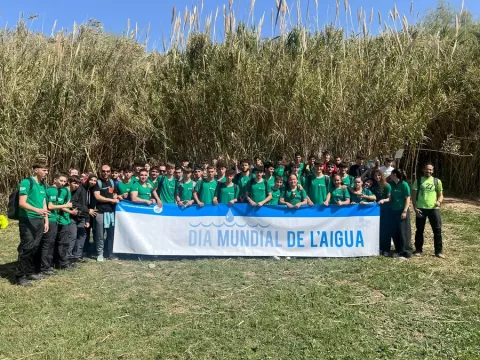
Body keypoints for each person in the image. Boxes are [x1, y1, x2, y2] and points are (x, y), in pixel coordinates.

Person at [15, 161, 51, 286]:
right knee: (27, 247)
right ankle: (20, 276)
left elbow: (44, 203)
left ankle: (30, 272)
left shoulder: (43, 185)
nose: (46, 172)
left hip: (40, 220)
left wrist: (46, 220)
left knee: (35, 247)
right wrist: (37, 210)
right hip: (27, 219)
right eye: (44, 170)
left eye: (47, 170)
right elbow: (22, 203)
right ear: (36, 170)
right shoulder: (27, 182)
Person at [411, 162, 445, 258]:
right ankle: (418, 250)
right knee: (419, 230)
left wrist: (439, 201)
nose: (428, 171)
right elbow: (413, 194)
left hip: (434, 209)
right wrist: (414, 207)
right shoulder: (418, 181)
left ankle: (438, 252)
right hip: (421, 208)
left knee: (437, 230)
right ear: (423, 170)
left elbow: (440, 194)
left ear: (432, 171)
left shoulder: (436, 181)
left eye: (430, 169)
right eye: (427, 169)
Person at [380, 169, 412, 258]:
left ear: (395, 174)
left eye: (391, 174)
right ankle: (398, 250)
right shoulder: (392, 184)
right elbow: (384, 181)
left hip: (402, 210)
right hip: (393, 210)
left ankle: (406, 252)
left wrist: (405, 211)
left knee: (404, 231)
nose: (390, 175)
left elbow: (407, 199)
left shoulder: (404, 185)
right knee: (395, 231)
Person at [93, 165, 119, 262]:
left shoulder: (112, 182)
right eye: (104, 171)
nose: (106, 173)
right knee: (100, 234)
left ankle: (110, 253)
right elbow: (97, 197)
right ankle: (100, 253)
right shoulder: (97, 182)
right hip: (100, 211)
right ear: (101, 171)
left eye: (108, 171)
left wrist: (114, 198)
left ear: (110, 172)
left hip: (111, 211)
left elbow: (115, 193)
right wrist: (110, 199)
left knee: (111, 234)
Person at [71, 174, 97, 263]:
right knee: (73, 237)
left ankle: (78, 256)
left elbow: (87, 205)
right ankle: (70, 257)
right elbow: (73, 203)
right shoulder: (80, 188)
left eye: (95, 181)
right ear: (87, 179)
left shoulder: (90, 190)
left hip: (83, 216)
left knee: (82, 236)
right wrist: (87, 210)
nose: (93, 182)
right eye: (91, 180)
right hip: (74, 216)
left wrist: (87, 220)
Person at [372, 169, 392, 256]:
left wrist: (384, 200)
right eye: (375, 176)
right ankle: (379, 248)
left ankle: (386, 249)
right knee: (378, 229)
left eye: (379, 175)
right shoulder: (373, 186)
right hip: (376, 210)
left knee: (386, 229)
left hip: (386, 209)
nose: (377, 177)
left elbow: (390, 198)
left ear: (382, 176)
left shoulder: (387, 186)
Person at [64, 177, 81, 264]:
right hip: (62, 218)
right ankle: (67, 258)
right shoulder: (65, 191)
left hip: (66, 218)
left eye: (78, 184)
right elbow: (60, 206)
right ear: (69, 182)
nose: (76, 185)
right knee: (71, 237)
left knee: (72, 237)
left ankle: (68, 257)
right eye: (74, 183)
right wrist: (71, 211)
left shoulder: (71, 192)